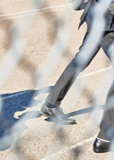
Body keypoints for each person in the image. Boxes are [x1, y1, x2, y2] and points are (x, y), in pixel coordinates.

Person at [40, 0, 114, 152]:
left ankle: (50, 104)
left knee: (79, 62)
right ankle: (105, 136)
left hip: (96, 19)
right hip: (109, 25)